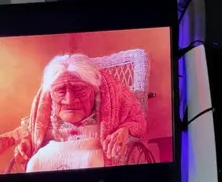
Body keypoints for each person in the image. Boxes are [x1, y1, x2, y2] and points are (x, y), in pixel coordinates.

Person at [13, 53, 146, 172]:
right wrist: (27, 143)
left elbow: (136, 120)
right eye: (60, 91)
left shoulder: (112, 97)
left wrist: (124, 130)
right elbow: (35, 135)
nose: (69, 100)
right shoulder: (45, 107)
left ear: (94, 90)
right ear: (51, 93)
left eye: (79, 89)